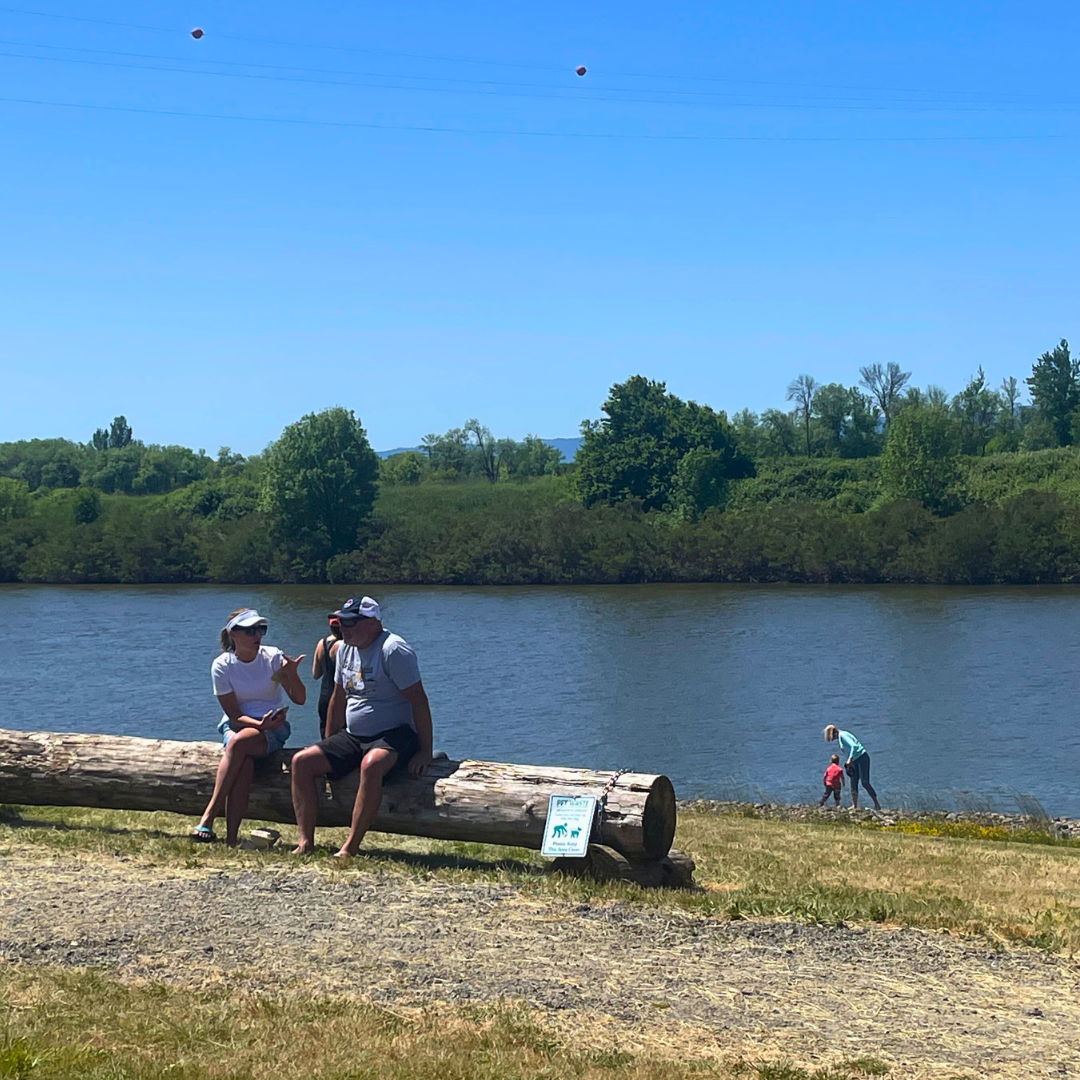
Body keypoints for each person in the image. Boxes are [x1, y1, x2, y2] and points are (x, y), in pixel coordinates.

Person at [289, 596, 433, 858]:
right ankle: (305, 843)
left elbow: (419, 701)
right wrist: (329, 741)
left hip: (395, 733)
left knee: (371, 765)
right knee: (301, 761)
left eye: (350, 622)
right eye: (341, 622)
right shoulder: (344, 649)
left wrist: (425, 751)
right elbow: (338, 697)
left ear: (372, 623)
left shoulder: (393, 650)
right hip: (354, 734)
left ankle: (350, 847)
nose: (343, 628)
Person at [191, 608, 306, 845]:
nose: (258, 635)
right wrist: (257, 724)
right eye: (251, 630)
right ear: (233, 633)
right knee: (242, 760)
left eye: (261, 629)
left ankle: (209, 816)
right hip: (238, 725)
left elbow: (300, 699)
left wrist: (291, 674)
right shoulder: (222, 665)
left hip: (274, 726)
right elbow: (233, 714)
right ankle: (231, 839)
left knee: (238, 744)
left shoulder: (273, 657)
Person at [823, 725, 881, 810]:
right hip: (854, 760)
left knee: (865, 782)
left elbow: (854, 746)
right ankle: (854, 805)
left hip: (861, 758)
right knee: (853, 782)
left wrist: (849, 759)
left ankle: (876, 804)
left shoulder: (843, 735)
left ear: (834, 733)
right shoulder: (841, 737)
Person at [311, 616, 344, 739]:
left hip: (324, 696)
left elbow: (315, 674)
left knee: (325, 737)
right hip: (339, 697)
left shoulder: (322, 643)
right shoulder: (344, 646)